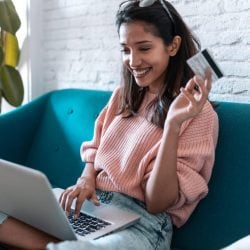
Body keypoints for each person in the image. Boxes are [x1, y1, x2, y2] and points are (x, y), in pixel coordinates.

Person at [0, 0, 219, 249]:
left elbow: (157, 202)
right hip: (92, 209)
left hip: (143, 226)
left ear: (173, 45)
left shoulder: (200, 116)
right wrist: (85, 180)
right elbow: (94, 154)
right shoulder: (122, 96)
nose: (133, 61)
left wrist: (172, 124)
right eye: (125, 49)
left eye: (144, 48)